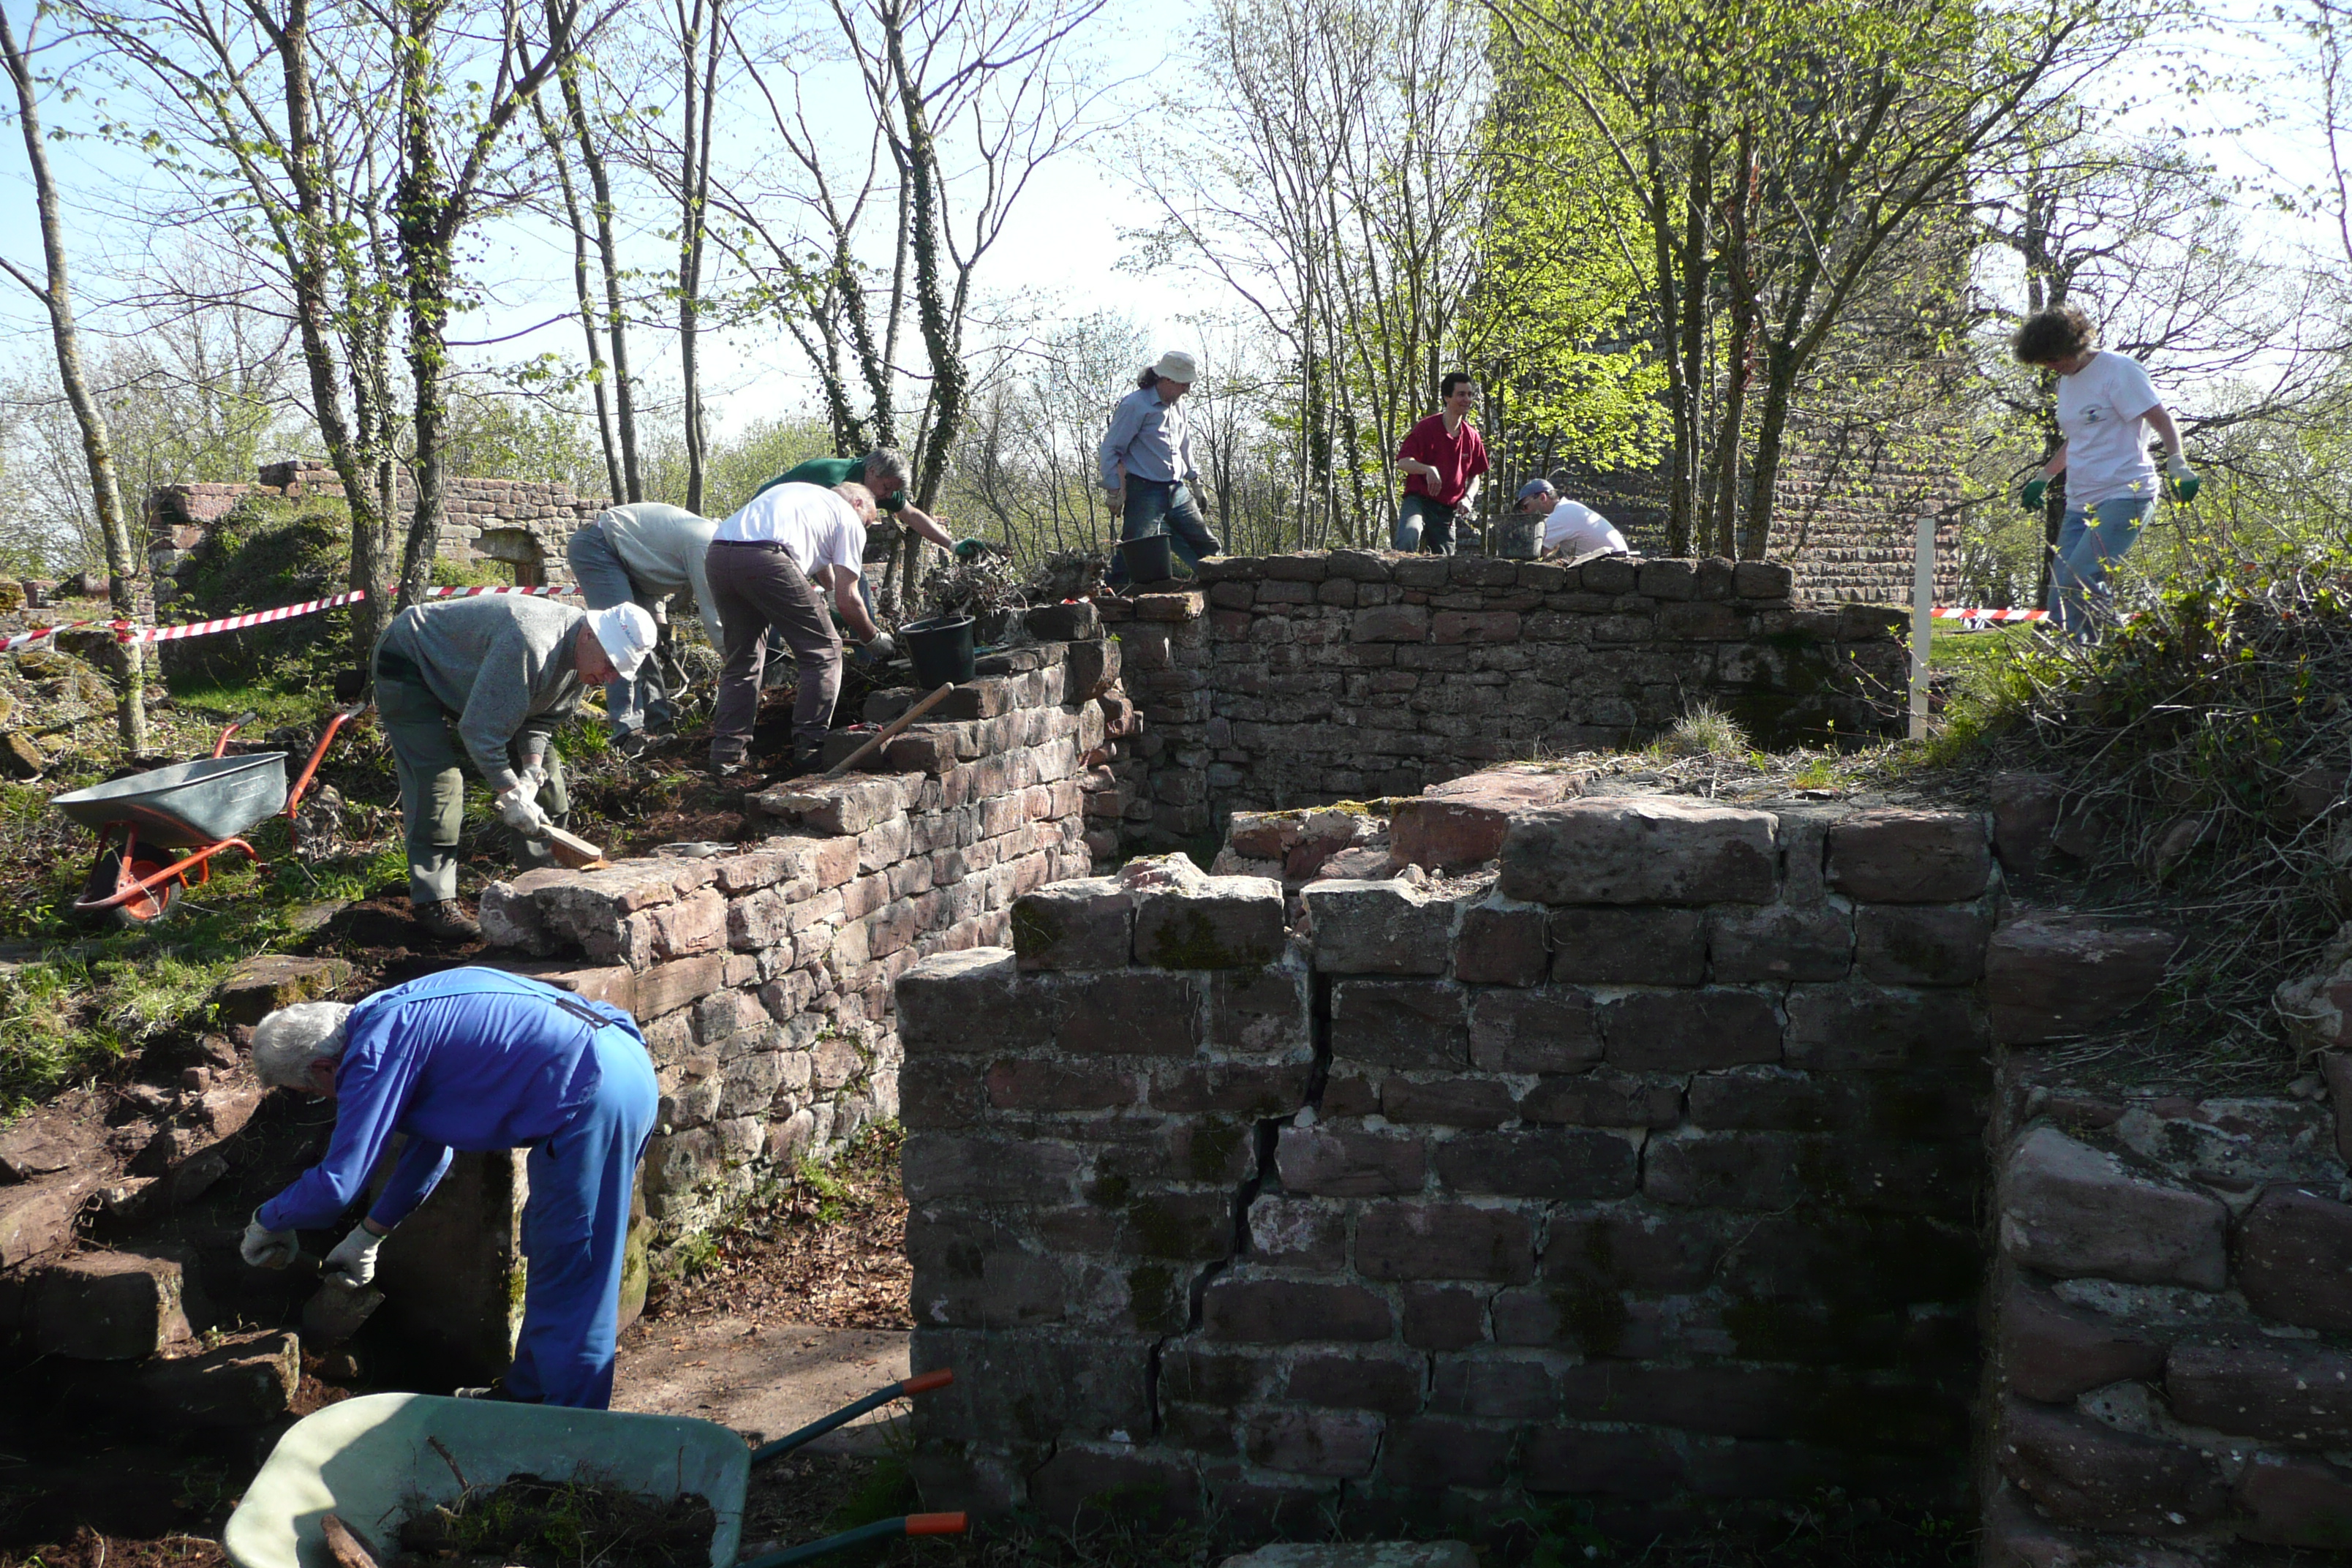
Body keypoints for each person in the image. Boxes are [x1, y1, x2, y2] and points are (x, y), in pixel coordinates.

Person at [237, 967, 657, 1409]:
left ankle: (573, 1433)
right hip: (612, 1065)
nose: (326, 1099)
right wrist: (368, 1236)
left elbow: (338, 1184)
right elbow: (430, 1152)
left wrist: (268, 1221)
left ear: (324, 1067)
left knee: (577, 1274)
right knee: (556, 1258)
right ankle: (527, 1398)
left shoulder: (373, 1053)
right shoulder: (392, 1016)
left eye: (312, 1091)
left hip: (594, 1094)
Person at [373, 595, 656, 943]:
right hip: (412, 660)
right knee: (439, 787)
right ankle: (434, 902)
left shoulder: (584, 663)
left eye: (619, 671)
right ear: (589, 635)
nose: (610, 678)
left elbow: (539, 721)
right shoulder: (531, 643)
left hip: (469, 677)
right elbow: (480, 732)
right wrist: (510, 793)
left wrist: (531, 773)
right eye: (611, 665)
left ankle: (545, 890)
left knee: (548, 791)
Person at [2013, 306, 2200, 640]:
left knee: (2082, 577)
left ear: (2074, 344)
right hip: (2080, 500)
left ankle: (2117, 653)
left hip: (2126, 492)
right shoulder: (2067, 383)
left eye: (2053, 358)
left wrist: (2178, 463)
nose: (2051, 367)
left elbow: (2162, 419)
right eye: (2043, 363)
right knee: (2060, 592)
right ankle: (2075, 658)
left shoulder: (2119, 370)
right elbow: (2079, 439)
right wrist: (2043, 478)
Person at [706, 480, 892, 777]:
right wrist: (873, 638)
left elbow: (824, 570)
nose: (865, 529)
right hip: (765, 558)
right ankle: (810, 751)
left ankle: (727, 757)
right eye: (868, 523)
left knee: (743, 661)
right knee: (825, 651)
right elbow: (848, 598)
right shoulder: (848, 517)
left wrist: (829, 600)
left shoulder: (804, 496)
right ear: (858, 503)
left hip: (718, 554)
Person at [564, 502, 723, 755]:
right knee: (622, 643)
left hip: (626, 559)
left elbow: (652, 576)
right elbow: (714, 615)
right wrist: (734, 659)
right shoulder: (706, 544)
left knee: (644, 644)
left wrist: (661, 628)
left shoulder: (703, 540)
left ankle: (658, 725)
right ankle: (628, 734)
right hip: (598, 546)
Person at [1099, 350, 1221, 584]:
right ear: (1167, 380)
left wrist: (1195, 482)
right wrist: (1114, 489)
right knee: (1135, 550)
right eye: (1184, 384)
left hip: (1177, 489)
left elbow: (1185, 445)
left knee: (1207, 545)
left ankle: (1222, 589)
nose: (1188, 389)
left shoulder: (1179, 406)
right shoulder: (1135, 405)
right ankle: (1114, 596)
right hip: (1145, 489)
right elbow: (1112, 448)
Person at [1394, 373, 1490, 555]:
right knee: (1408, 536)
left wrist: (1468, 498)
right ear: (1447, 397)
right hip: (1419, 501)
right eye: (1461, 394)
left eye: (1470, 394)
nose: (1467, 399)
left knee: (1445, 563)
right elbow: (1403, 462)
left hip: (1447, 510)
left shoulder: (1472, 436)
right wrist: (1427, 469)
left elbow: (1475, 477)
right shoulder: (1427, 427)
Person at [1515, 478, 1631, 557]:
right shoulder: (1569, 507)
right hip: (1616, 562)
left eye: (1525, 506)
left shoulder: (1559, 517)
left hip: (1610, 568)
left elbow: (1534, 553)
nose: (1525, 512)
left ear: (1543, 498)